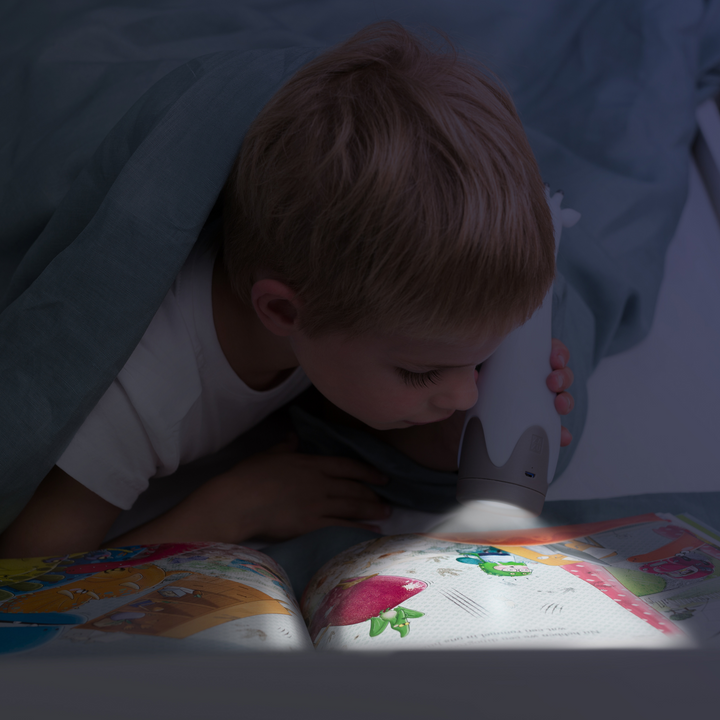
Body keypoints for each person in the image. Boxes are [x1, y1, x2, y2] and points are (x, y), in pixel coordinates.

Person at [0, 21, 574, 559]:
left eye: (474, 366)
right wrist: (230, 511)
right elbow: (28, 580)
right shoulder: (140, 396)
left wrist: (462, 414)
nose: (467, 394)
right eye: (421, 372)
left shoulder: (349, 306)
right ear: (281, 310)